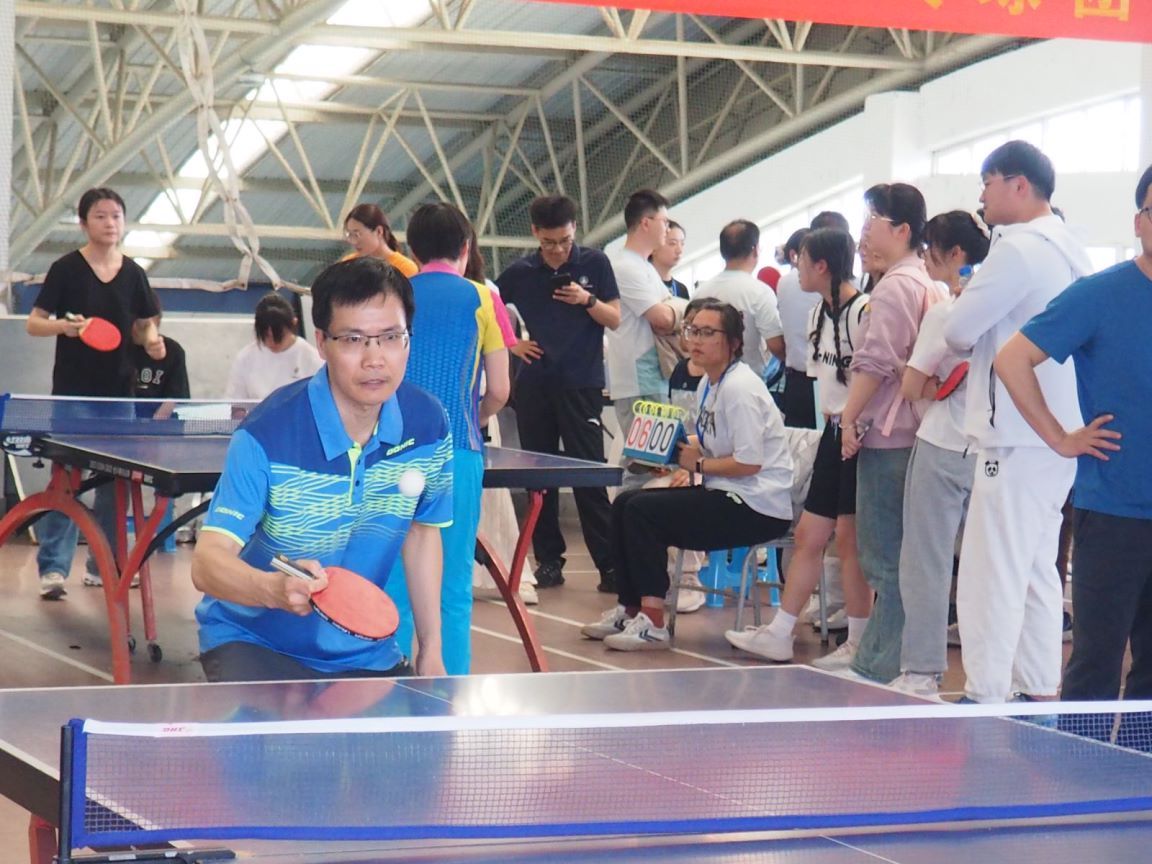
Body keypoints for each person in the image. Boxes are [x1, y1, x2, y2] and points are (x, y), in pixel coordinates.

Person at [190, 256, 452, 682]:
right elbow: (206, 563)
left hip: (364, 649)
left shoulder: (428, 425)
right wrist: (271, 590)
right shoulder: (267, 434)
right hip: (252, 640)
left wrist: (431, 650)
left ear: (408, 339)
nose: (374, 359)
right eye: (353, 339)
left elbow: (422, 535)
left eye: (390, 337)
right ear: (322, 342)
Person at [992, 164, 1152, 705]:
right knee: (1095, 664)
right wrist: (1060, 437)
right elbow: (1012, 359)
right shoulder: (1100, 295)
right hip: (1114, 511)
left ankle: (1138, 758)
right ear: (1138, 222)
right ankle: (1082, 756)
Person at [943, 141, 1092, 704]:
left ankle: (984, 693)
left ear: (1019, 185)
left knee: (992, 569)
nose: (981, 196)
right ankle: (1037, 686)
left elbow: (957, 331)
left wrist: (969, 300)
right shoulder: (1070, 247)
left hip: (1015, 433)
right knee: (1034, 569)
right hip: (1056, 433)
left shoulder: (1019, 250)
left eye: (987, 182)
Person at [582, 300, 793, 651]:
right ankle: (628, 608)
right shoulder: (709, 383)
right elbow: (706, 440)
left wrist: (697, 465)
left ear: (733, 342)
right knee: (625, 502)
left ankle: (653, 623)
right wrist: (663, 449)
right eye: (692, 330)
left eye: (708, 333)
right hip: (725, 491)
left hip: (756, 506)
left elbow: (749, 462)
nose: (696, 340)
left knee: (643, 512)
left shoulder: (740, 389)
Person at [726, 229, 870, 663]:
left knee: (849, 539)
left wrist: (854, 425)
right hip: (832, 434)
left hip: (862, 438)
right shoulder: (816, 317)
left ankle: (860, 643)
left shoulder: (864, 312)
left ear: (821, 265)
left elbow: (875, 379)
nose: (796, 269)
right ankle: (780, 632)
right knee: (809, 534)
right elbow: (821, 382)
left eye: (801, 260)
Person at [386, 202, 509, 676]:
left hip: (392, 454)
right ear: (466, 247)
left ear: (412, 249)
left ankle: (385, 687)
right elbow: (499, 390)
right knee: (453, 584)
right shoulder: (485, 298)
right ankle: (451, 690)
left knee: (393, 581)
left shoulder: (393, 294)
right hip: (458, 452)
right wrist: (473, 417)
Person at [25, 187, 160, 599]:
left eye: (116, 215)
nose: (110, 223)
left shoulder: (134, 273)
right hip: (72, 395)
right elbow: (34, 323)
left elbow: (144, 324)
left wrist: (152, 340)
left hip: (119, 395)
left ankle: (106, 567)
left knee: (115, 484)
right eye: (100, 216)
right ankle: (53, 569)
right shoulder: (66, 269)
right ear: (84, 223)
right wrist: (64, 327)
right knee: (66, 480)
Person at [839, 183, 945, 682]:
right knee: (901, 557)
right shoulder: (925, 282)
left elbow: (876, 361)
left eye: (871, 222)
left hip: (890, 435)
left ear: (902, 230)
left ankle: (876, 667)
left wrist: (848, 418)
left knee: (886, 559)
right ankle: (888, 662)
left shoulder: (896, 287)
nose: (863, 234)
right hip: (914, 432)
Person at [495, 195, 621, 592]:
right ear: (535, 233)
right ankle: (548, 561)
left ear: (575, 230)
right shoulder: (520, 272)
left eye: (565, 241)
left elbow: (615, 318)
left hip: (581, 384)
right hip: (535, 386)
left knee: (589, 474)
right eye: (549, 242)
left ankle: (609, 565)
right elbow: (490, 307)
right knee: (539, 479)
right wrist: (512, 343)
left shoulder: (595, 263)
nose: (558, 250)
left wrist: (588, 300)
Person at [890, 211, 989, 699]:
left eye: (931, 249)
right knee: (988, 565)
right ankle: (993, 674)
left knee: (925, 562)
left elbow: (911, 385)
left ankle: (922, 672)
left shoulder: (947, 312)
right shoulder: (1007, 308)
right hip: (992, 450)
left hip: (942, 445)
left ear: (956, 255)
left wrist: (932, 383)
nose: (926, 257)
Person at [605, 189, 677, 490]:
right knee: (645, 465)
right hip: (639, 377)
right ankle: (627, 517)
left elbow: (670, 312)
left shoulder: (644, 266)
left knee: (651, 461)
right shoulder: (625, 267)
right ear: (646, 223)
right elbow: (662, 318)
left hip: (650, 375)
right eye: (665, 222)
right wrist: (677, 312)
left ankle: (629, 516)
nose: (668, 229)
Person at [694, 220, 785, 381]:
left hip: (708, 380)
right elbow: (776, 346)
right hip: (749, 380)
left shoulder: (700, 292)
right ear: (755, 250)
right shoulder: (760, 292)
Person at [224, 293, 323, 402]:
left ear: (293, 323)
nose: (272, 342)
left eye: (279, 336)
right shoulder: (245, 358)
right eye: (266, 336)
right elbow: (235, 402)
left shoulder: (312, 358)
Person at [775, 227, 819, 428]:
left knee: (798, 440)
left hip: (795, 379)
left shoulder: (784, 282)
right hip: (823, 380)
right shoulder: (830, 282)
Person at [131, 292, 190, 404]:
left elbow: (175, 398)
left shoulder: (173, 351)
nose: (137, 327)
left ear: (158, 321)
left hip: (160, 414)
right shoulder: (117, 350)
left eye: (146, 323)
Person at [342, 203, 419, 278]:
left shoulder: (405, 268)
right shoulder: (347, 264)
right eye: (349, 235)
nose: (353, 241)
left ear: (379, 231)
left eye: (357, 234)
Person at [650, 220, 690, 299]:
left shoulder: (682, 289)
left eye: (682, 244)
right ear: (653, 247)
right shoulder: (642, 284)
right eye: (673, 243)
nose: (679, 250)